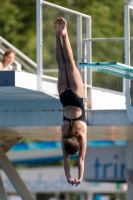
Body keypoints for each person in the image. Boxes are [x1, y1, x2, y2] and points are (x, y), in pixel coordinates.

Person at [54, 17, 87, 186]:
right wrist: (68, 177)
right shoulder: (64, 133)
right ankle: (57, 34)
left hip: (77, 98)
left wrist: (79, 177)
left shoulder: (81, 133)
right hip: (64, 98)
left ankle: (65, 35)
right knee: (62, 64)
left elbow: (80, 160)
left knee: (70, 64)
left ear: (78, 144)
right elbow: (66, 160)